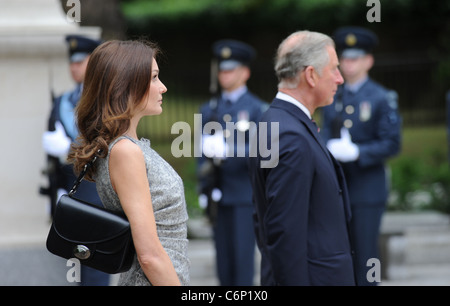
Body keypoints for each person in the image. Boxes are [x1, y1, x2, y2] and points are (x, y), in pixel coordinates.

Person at [67, 40, 190, 286]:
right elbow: (149, 256)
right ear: (127, 85)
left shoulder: (125, 146)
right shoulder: (125, 151)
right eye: (154, 78)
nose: (162, 87)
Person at [248, 30, 355, 286]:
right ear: (310, 75)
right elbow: (285, 233)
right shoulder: (290, 134)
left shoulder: (275, 124)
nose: (340, 79)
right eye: (334, 69)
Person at [321, 26, 401, 285]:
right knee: (341, 254)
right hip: (338, 187)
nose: (349, 64)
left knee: (366, 255)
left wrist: (358, 152)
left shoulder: (381, 97)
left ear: (369, 61)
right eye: (344, 58)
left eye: (355, 58)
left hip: (367, 189)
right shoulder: (332, 96)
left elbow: (392, 143)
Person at [197, 39, 268, 285]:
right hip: (218, 193)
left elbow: (266, 151)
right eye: (222, 70)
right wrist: (203, 187)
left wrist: (231, 150)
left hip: (244, 195)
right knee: (223, 262)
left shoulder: (258, 109)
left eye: (231, 70)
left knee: (242, 262)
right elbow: (201, 153)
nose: (225, 75)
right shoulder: (209, 109)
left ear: (245, 72)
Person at [41, 35, 110, 286]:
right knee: (75, 269)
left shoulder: (106, 100)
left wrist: (68, 149)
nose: (74, 67)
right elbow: (50, 156)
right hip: (71, 195)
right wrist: (55, 192)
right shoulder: (61, 102)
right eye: (72, 62)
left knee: (95, 270)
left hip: (96, 195)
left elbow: (106, 147)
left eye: (81, 62)